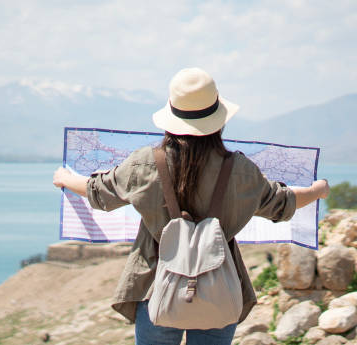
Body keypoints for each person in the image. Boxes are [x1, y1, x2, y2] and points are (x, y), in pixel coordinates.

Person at [53, 67, 330, 345]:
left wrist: (66, 178)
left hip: (155, 285)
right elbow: (283, 203)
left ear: (170, 119)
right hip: (220, 286)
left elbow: (99, 193)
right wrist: (317, 190)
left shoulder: (145, 163)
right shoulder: (242, 171)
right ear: (219, 121)